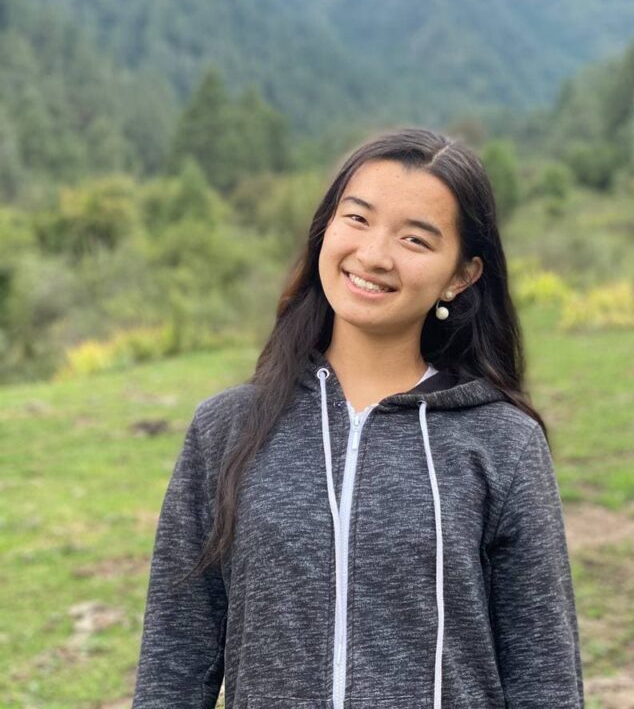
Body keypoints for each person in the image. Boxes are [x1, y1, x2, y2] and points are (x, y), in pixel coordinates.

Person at [131, 127, 584, 709]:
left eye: (416, 240)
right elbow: (176, 656)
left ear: (461, 275)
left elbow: (543, 674)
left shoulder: (502, 442)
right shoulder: (227, 428)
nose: (374, 255)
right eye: (358, 219)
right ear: (327, 229)